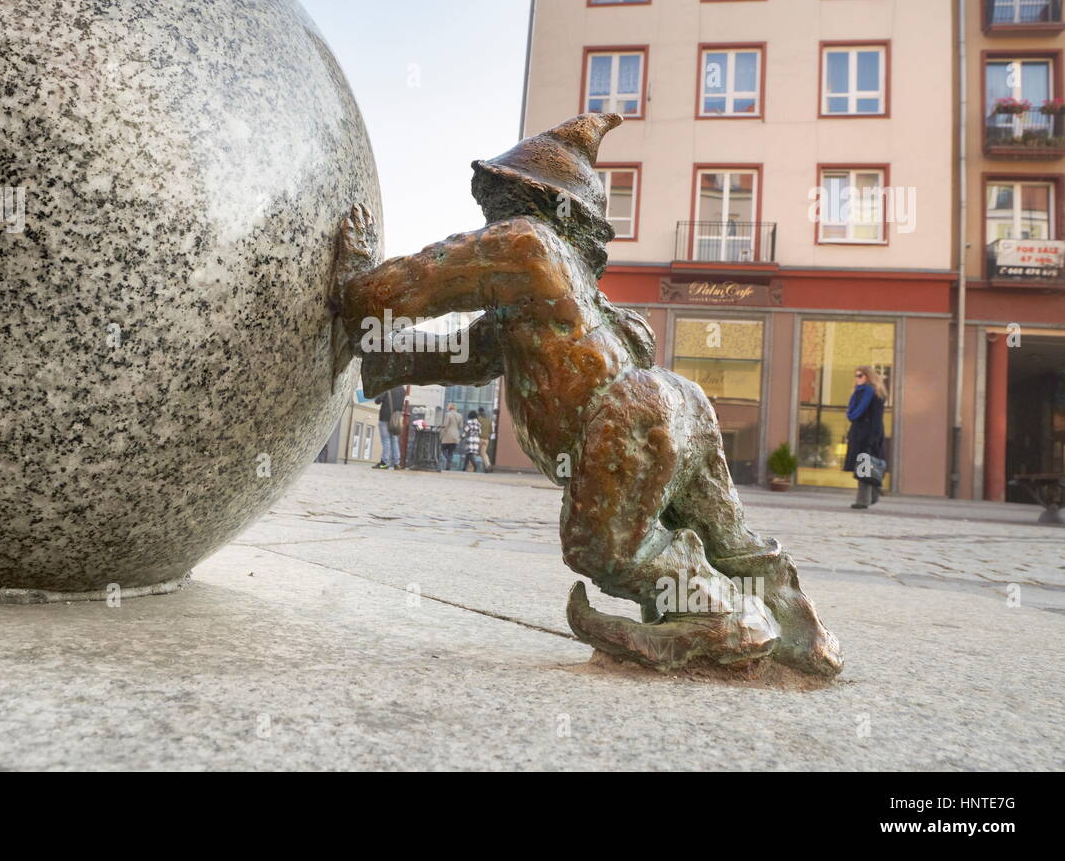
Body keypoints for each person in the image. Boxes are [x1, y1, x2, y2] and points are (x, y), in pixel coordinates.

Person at [331, 112, 841, 676]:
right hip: (675, 402)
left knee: (605, 548)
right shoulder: (553, 290)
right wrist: (381, 361)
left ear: (523, 196)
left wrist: (356, 282)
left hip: (628, 415)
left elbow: (407, 286)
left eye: (495, 199)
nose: (487, 217)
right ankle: (799, 633)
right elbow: (470, 356)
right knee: (724, 536)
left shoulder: (524, 244)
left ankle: (725, 620)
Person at [845, 366, 887, 510]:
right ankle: (873, 493)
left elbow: (876, 419)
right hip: (858, 434)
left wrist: (872, 439)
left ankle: (863, 500)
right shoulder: (859, 393)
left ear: (869, 377)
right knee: (864, 468)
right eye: (856, 375)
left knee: (864, 468)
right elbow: (853, 415)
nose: (857, 378)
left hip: (868, 435)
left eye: (860, 375)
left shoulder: (873, 394)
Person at [372, 386, 405, 469]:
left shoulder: (387, 387)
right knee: (394, 440)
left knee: (386, 440)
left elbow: (377, 401)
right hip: (395, 419)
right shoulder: (402, 389)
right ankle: (396, 463)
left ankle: (384, 462)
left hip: (385, 418)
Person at [440, 402, 462, 471]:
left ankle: (449, 460)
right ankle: (448, 466)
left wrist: (441, 435)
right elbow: (461, 426)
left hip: (448, 436)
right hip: (456, 436)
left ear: (449, 407)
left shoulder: (448, 414)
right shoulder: (460, 415)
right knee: (451, 451)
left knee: (442, 449)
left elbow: (445, 426)